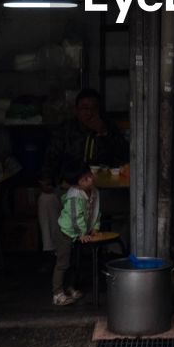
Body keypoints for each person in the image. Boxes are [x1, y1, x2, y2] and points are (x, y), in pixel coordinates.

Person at [40, 89, 129, 249]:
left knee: (133, 203)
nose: (89, 113)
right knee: (46, 200)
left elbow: (124, 156)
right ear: (76, 110)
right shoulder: (66, 130)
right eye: (84, 108)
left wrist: (103, 132)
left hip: (102, 194)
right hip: (71, 193)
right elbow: (51, 156)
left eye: (93, 108)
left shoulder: (108, 128)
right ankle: (56, 251)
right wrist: (46, 178)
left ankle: (115, 253)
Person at [52, 159, 101, 306]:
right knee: (62, 264)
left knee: (74, 263)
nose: (89, 179)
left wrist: (95, 227)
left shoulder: (94, 191)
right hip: (66, 232)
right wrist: (81, 233)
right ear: (75, 184)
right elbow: (75, 218)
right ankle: (57, 294)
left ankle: (69, 287)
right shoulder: (74, 196)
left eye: (89, 175)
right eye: (84, 179)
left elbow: (97, 211)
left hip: (80, 232)